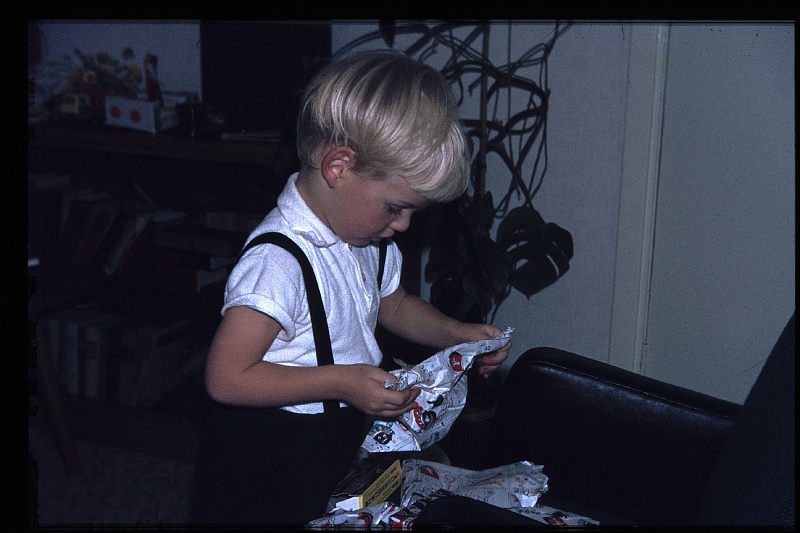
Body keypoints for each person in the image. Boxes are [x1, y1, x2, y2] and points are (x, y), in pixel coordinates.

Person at [188, 49, 511, 526]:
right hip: (265, 451)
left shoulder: (364, 235)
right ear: (338, 166)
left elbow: (394, 305)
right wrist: (343, 380)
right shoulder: (278, 262)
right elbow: (226, 377)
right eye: (395, 207)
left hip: (332, 433)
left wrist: (456, 333)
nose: (402, 226)